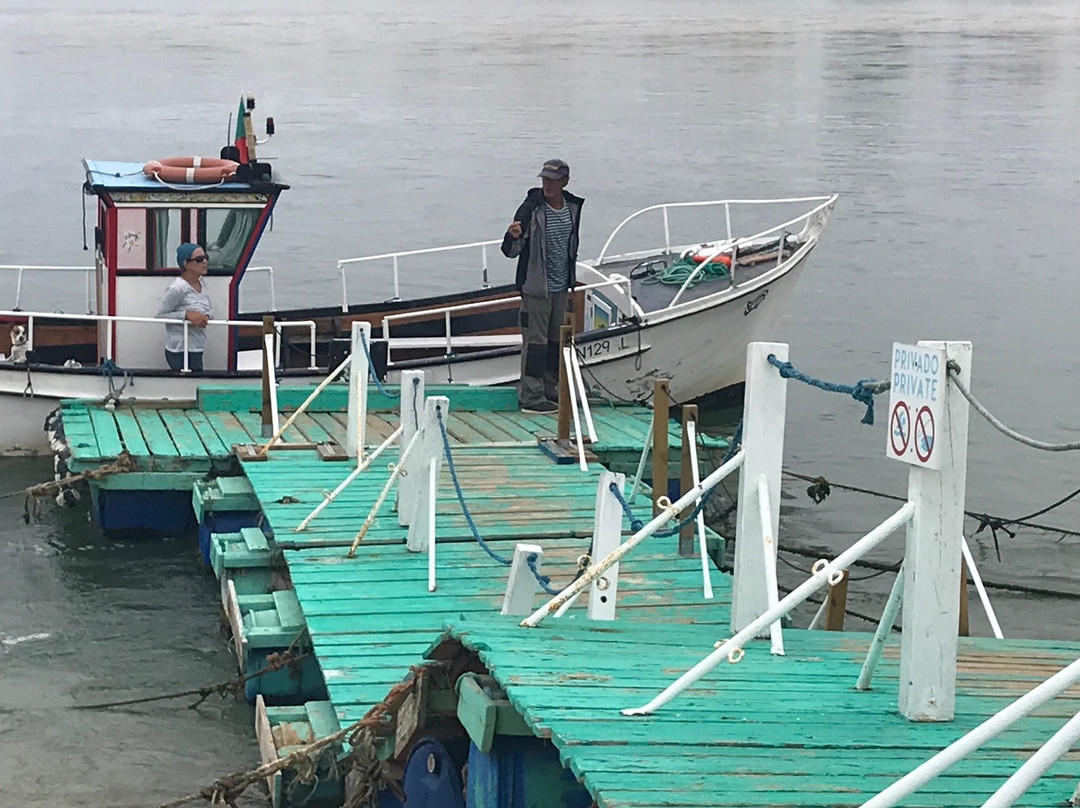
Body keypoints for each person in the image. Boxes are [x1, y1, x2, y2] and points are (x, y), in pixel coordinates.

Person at [501, 159, 584, 413]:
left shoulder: (572, 207)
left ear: (565, 182)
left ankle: (550, 390)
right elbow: (510, 251)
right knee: (535, 343)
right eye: (545, 179)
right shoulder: (531, 208)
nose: (547, 184)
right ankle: (531, 397)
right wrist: (513, 236)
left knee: (554, 342)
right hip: (536, 288)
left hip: (560, 287)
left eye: (553, 180)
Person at [156, 242, 213, 372]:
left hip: (197, 347)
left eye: (206, 257)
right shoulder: (177, 288)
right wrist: (186, 315)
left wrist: (206, 316)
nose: (204, 262)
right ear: (185, 263)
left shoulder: (202, 283)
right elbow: (160, 314)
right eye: (199, 259)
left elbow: (209, 308)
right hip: (180, 350)